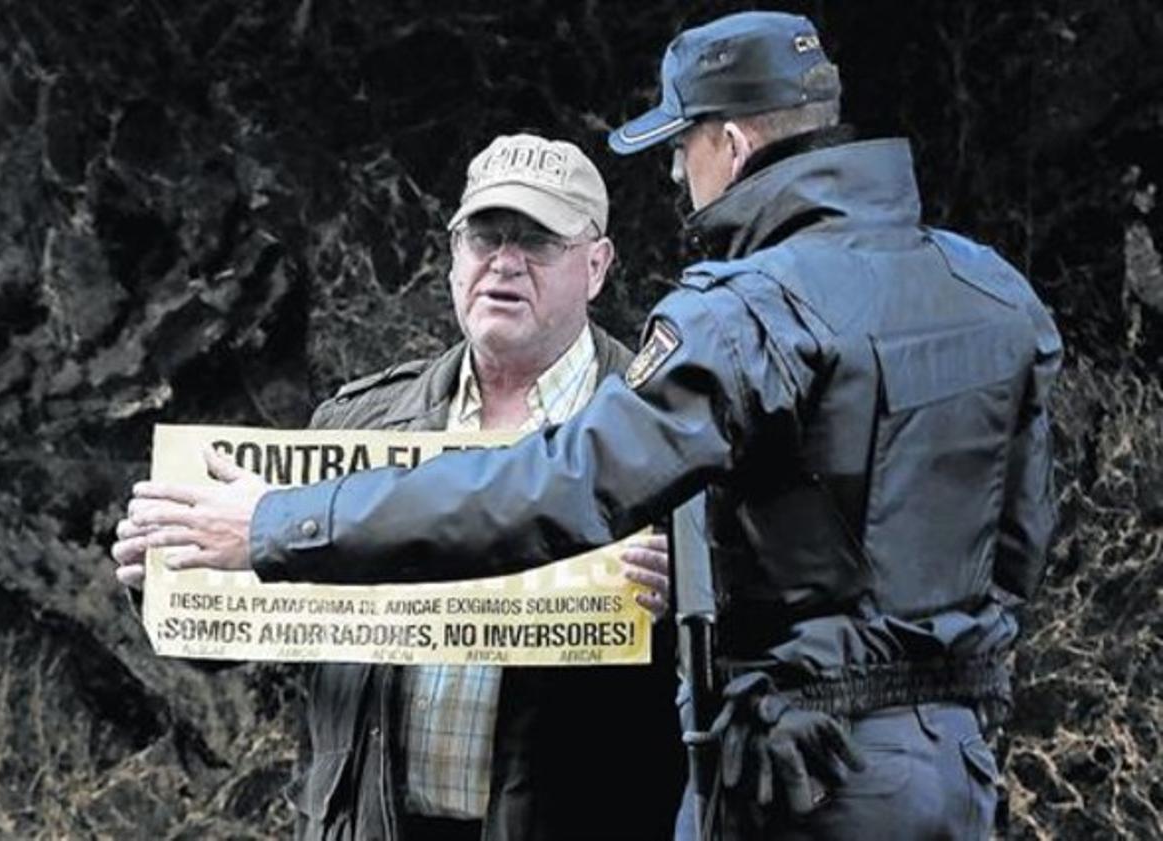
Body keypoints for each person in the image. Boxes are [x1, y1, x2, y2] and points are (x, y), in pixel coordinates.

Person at [121, 11, 1062, 840]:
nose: (680, 179)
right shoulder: (994, 290)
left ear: (728, 145)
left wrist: (280, 523)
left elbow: (561, 484)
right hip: (954, 763)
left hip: (799, 774)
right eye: (483, 238)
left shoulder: (748, 309)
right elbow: (1018, 547)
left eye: (679, 150)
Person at [113, 133, 684, 841]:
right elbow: (244, 640)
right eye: (485, 236)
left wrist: (687, 601)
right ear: (453, 257)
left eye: (537, 241)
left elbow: (764, 641)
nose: (504, 262)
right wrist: (170, 570)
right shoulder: (359, 419)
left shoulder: (661, 425)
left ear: (596, 266)